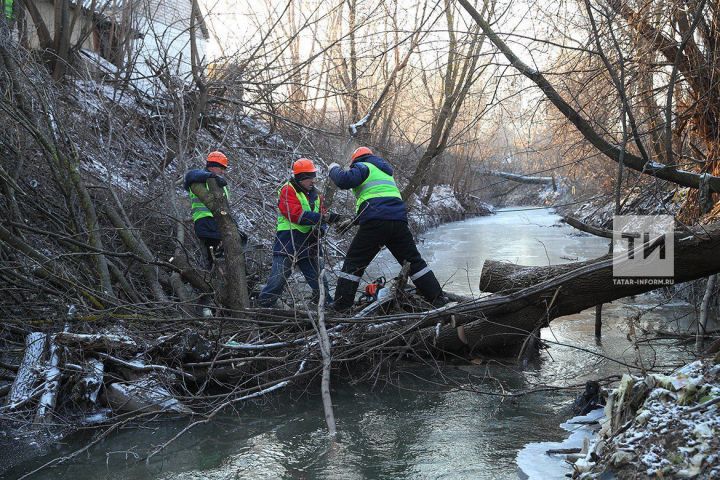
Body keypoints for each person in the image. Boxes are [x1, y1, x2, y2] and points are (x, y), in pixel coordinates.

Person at [328, 146, 446, 312]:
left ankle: (341, 307)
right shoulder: (384, 172)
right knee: (414, 262)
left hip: (376, 222)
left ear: (356, 160)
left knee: (353, 264)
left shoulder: (363, 166)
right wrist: (354, 220)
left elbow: (343, 181)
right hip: (398, 221)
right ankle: (438, 298)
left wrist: (333, 168)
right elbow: (380, 202)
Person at [257, 158, 340, 308]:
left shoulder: (316, 195)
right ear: (301, 177)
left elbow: (321, 214)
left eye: (313, 176)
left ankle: (327, 307)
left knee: (319, 281)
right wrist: (324, 219)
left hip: (310, 243)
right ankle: (263, 307)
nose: (313, 181)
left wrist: (322, 228)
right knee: (278, 279)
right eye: (310, 177)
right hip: (288, 241)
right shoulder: (288, 189)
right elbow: (296, 215)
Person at [184, 151, 232, 267]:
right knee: (213, 257)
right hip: (205, 221)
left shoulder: (218, 183)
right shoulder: (199, 177)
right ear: (213, 166)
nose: (222, 171)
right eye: (221, 168)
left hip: (218, 222)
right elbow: (190, 175)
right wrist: (212, 176)